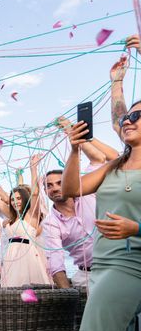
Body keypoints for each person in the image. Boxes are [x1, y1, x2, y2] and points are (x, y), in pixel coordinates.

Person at [63, 113, 141, 331]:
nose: (128, 120)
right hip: (103, 265)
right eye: (126, 117)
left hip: (133, 264)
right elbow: (70, 190)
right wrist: (75, 151)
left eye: (137, 115)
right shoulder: (112, 166)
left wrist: (136, 229)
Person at [42, 118, 119, 288]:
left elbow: (98, 158)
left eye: (59, 182)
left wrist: (72, 132)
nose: (54, 188)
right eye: (49, 186)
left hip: (119, 264)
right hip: (87, 275)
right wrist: (68, 295)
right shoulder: (50, 222)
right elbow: (56, 263)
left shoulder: (87, 191)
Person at [0, 154, 51, 286]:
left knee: (28, 287)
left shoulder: (31, 215)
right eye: (12, 199)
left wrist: (33, 168)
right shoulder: (12, 217)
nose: (15, 201)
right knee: (11, 290)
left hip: (27, 257)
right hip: (11, 256)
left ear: (24, 199)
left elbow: (34, 193)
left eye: (18, 198)